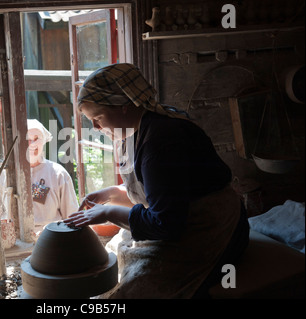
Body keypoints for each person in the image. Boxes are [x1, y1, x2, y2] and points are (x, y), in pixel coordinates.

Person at [64, 63, 249, 298]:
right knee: (116, 251)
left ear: (123, 106)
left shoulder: (161, 142)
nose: (96, 127)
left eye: (98, 117)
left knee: (135, 289)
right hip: (183, 215)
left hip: (214, 227)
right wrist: (110, 193)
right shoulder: (138, 127)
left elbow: (166, 223)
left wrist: (108, 212)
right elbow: (160, 192)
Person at [0, 119, 78, 236]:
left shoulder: (58, 174)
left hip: (50, 238)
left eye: (36, 138)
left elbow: (72, 216)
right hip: (13, 237)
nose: (32, 144)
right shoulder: (5, 173)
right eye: (27, 139)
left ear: (43, 141)